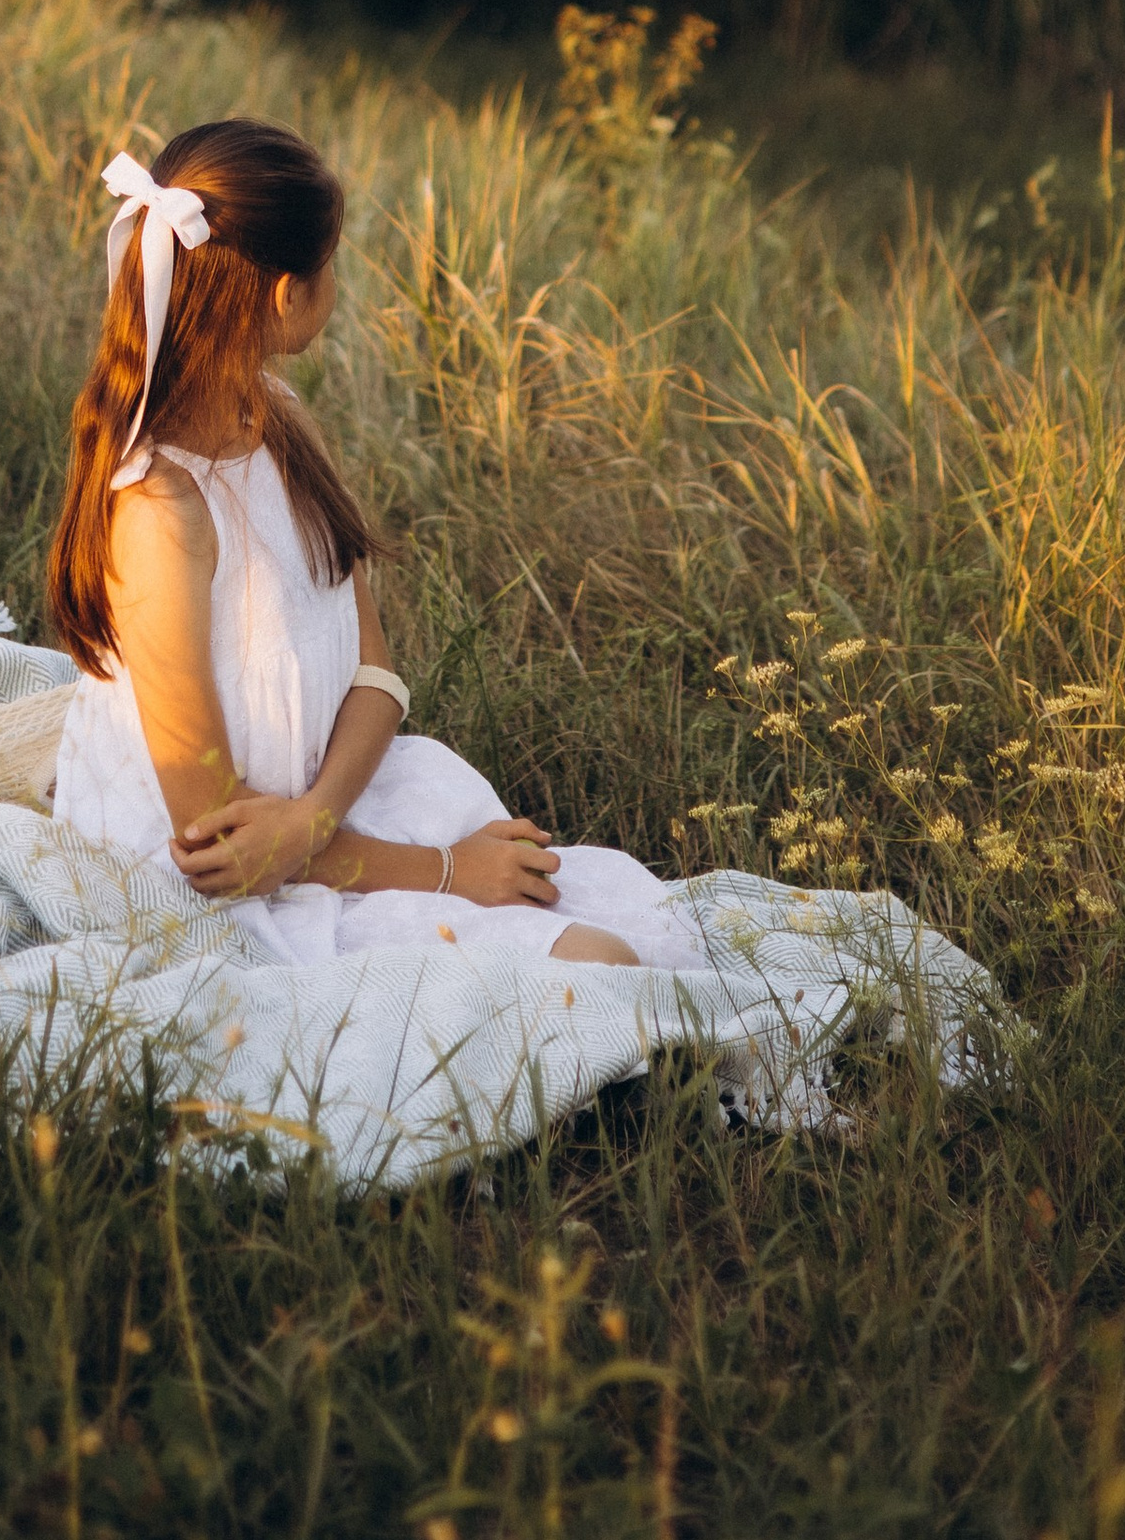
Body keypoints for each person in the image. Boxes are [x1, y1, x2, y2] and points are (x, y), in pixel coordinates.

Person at [47, 116, 698, 974]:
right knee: (600, 968)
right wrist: (446, 873)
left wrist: (316, 813)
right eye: (331, 266)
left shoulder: (277, 423)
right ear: (286, 296)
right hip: (208, 868)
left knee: (625, 945)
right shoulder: (165, 512)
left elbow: (378, 671)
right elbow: (214, 842)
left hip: (323, 801)